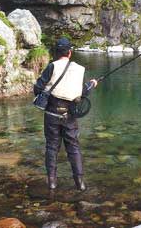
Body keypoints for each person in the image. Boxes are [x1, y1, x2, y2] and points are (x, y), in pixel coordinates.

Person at [34, 37, 97, 191]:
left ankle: (52, 183)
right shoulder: (80, 69)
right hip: (70, 116)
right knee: (73, 147)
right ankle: (80, 183)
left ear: (56, 53)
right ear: (70, 52)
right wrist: (91, 85)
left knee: (52, 147)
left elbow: (38, 88)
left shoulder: (52, 66)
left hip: (51, 114)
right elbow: (81, 93)